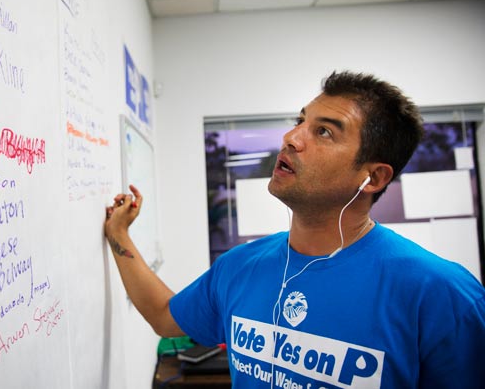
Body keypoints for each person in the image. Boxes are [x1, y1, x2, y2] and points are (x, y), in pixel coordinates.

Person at [104, 71, 485, 388]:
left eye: (324, 132)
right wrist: (120, 237)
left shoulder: (442, 295)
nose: (291, 138)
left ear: (372, 177)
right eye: (300, 121)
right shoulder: (240, 266)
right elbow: (164, 316)